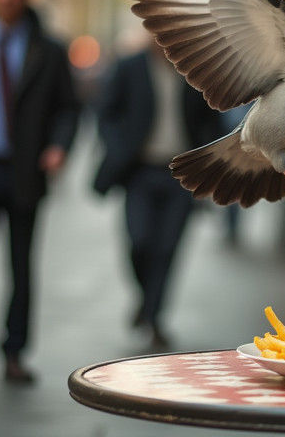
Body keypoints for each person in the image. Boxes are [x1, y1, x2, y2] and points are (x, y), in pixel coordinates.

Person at [93, 40, 224, 349]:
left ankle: (153, 317)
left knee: (167, 249)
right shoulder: (129, 67)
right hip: (140, 172)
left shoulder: (197, 69)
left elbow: (212, 121)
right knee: (140, 242)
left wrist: (206, 162)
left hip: (182, 176)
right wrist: (118, 148)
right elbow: (106, 113)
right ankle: (147, 300)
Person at [0, 0, 80, 383]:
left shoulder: (47, 49)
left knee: (21, 265)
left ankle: (14, 351)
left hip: (24, 170)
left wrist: (58, 147)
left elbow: (68, 107)